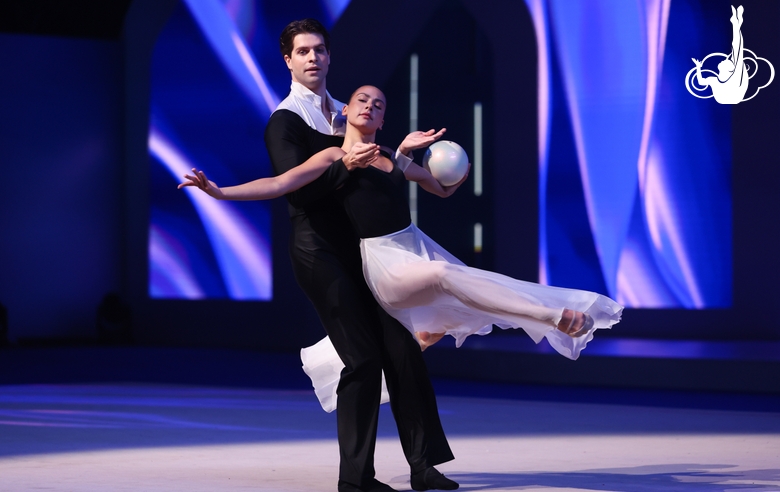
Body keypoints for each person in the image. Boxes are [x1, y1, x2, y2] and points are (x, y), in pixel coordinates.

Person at [180, 85, 624, 383]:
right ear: (345, 110)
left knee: (461, 294)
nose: (370, 106)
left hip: (416, 245)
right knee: (450, 280)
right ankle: (553, 317)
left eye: (379, 104)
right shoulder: (334, 153)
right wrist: (218, 192)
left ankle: (418, 341)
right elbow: (279, 184)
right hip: (384, 263)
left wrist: (453, 165)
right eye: (362, 100)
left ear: (383, 117)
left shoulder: (391, 155)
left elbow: (442, 190)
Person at [245, 19, 456, 492]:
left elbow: (377, 175)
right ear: (288, 61)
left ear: (329, 56)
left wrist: (402, 153)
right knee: (362, 360)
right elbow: (295, 193)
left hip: (362, 251)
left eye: (319, 50)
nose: (313, 58)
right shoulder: (285, 120)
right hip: (318, 251)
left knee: (403, 351)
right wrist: (345, 171)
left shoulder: (346, 111)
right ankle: (356, 480)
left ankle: (424, 466)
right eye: (303, 52)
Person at [692, 5, 748, 104]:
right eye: (728, 60)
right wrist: (698, 67)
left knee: (737, 51)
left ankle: (736, 23)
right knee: (736, 52)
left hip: (733, 96)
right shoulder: (714, 80)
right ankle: (736, 23)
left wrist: (736, 26)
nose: (725, 59)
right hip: (726, 98)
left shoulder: (734, 78)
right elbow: (701, 82)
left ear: (729, 69)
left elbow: (737, 49)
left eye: (727, 61)